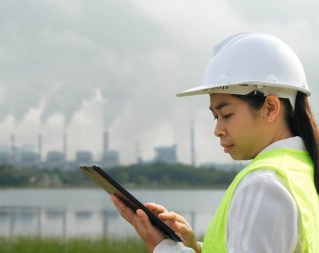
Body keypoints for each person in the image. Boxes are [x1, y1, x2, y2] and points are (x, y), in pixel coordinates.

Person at [111, 32, 319, 253]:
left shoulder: (264, 184)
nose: (218, 130)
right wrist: (196, 248)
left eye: (226, 114)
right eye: (215, 117)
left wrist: (163, 247)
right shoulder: (303, 171)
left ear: (270, 108)